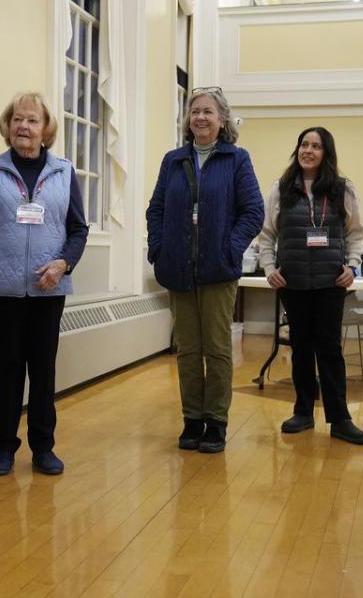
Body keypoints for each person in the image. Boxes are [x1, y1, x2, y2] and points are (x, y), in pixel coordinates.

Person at [0, 92, 89, 477]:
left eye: (31, 120)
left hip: (48, 288)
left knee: (43, 370)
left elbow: (78, 229)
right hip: (5, 287)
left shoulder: (63, 171)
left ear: (46, 130)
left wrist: (63, 263)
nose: (23, 127)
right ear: (7, 126)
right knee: (9, 368)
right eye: (16, 120)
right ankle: (5, 448)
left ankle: (43, 448)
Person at [146, 87, 264, 453]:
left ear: (222, 120)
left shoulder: (237, 160)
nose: (200, 117)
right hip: (178, 270)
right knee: (188, 349)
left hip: (218, 270)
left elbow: (253, 212)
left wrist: (229, 248)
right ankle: (192, 419)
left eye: (208, 112)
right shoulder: (173, 160)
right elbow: (156, 209)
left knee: (216, 349)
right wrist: (158, 250)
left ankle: (216, 422)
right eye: (195, 111)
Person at [258, 127, 363, 445]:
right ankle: (303, 412)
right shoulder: (281, 189)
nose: (308, 150)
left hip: (330, 282)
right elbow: (266, 236)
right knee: (301, 349)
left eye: (316, 146)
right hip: (292, 283)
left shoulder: (341, 189)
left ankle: (340, 419)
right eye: (304, 144)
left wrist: (352, 266)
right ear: (298, 150)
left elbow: (355, 233)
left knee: (330, 350)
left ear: (326, 153)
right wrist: (269, 269)